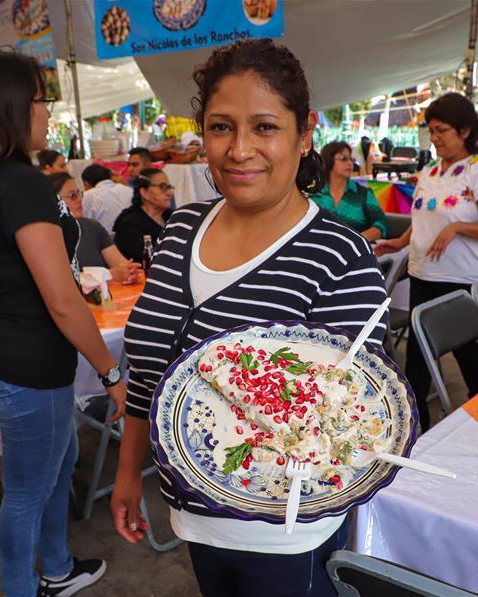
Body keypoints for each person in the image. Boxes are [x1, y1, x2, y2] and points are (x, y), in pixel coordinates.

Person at [110, 39, 390, 597]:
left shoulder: (338, 256)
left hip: (285, 536)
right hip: (190, 516)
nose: (239, 150)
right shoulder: (179, 232)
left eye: (264, 127)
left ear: (303, 132)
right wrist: (126, 473)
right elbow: (147, 374)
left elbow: (344, 423)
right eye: (220, 127)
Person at [0, 49, 125, 597]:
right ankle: (30, 585)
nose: (47, 110)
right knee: (27, 489)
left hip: (3, 349)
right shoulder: (19, 184)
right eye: (40, 98)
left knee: (61, 458)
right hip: (26, 362)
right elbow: (63, 300)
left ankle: (56, 565)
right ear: (11, 106)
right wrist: (111, 373)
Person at [375, 92, 478, 432]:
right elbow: (422, 217)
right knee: (418, 354)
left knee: (465, 350)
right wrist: (399, 243)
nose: (434, 138)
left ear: (464, 131)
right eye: (431, 131)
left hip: (461, 276)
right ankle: (416, 426)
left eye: (441, 130)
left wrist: (457, 227)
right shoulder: (430, 171)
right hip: (423, 272)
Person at [49, 172, 142, 284]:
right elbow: (61, 280)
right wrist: (109, 275)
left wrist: (130, 271)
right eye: (72, 195)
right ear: (53, 201)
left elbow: (119, 262)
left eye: (79, 194)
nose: (79, 199)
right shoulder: (48, 236)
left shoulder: (92, 226)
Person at [310, 141, 389, 241]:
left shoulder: (363, 194)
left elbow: (381, 224)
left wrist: (359, 239)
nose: (350, 163)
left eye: (351, 159)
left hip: (356, 252)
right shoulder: (314, 194)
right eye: (343, 158)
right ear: (328, 161)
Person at [112, 168, 173, 262]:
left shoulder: (173, 217)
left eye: (169, 187)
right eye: (163, 187)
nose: (169, 193)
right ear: (144, 192)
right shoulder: (129, 224)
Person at [80, 163, 132, 235]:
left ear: (86, 184)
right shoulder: (129, 190)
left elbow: (85, 228)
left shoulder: (89, 195)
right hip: (136, 238)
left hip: (107, 242)